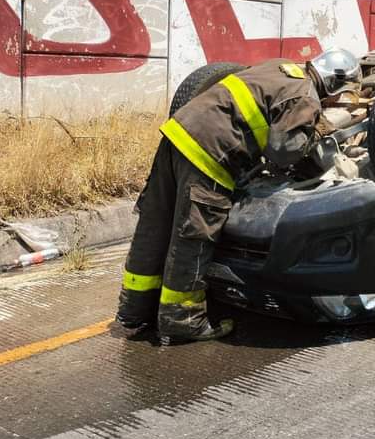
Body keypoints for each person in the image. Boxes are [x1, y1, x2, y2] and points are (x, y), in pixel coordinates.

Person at [115, 49, 359, 344]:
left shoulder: (279, 66)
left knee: (155, 225)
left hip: (177, 134)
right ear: (334, 83)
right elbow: (284, 151)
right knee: (194, 234)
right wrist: (314, 134)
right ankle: (182, 320)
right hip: (210, 152)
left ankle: (134, 311)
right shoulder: (305, 95)